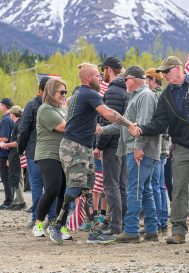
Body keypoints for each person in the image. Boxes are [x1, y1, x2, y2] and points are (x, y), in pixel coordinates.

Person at [129, 56, 189, 244]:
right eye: (162, 72)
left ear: (178, 69)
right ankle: (178, 231)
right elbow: (160, 122)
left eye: (166, 71)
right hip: (181, 147)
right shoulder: (166, 95)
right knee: (178, 190)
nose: (164, 75)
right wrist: (142, 129)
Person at [58, 63, 133, 244]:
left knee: (87, 189)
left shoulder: (78, 95)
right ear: (89, 78)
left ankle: (93, 232)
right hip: (74, 148)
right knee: (76, 187)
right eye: (97, 76)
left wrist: (93, 127)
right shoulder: (89, 93)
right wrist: (129, 124)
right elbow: (109, 114)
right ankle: (57, 224)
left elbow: (81, 117)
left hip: (83, 147)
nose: (101, 78)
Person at [99, 65, 161, 243]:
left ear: (132, 79)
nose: (124, 82)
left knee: (134, 189)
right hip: (137, 150)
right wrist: (101, 130)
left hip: (140, 151)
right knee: (146, 190)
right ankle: (151, 230)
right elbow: (124, 125)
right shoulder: (136, 96)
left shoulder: (145, 96)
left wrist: (138, 147)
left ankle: (131, 230)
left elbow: (143, 124)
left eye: (125, 79)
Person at [31, 78, 71, 243]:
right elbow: (64, 127)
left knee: (65, 193)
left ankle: (60, 225)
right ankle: (39, 223)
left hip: (64, 155)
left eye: (65, 92)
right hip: (48, 154)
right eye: (61, 92)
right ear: (50, 92)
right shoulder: (45, 109)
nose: (64, 95)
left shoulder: (62, 108)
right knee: (53, 189)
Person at [94, 56, 129, 235]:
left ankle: (115, 225)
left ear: (108, 69)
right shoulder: (125, 90)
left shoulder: (113, 91)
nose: (102, 74)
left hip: (113, 144)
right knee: (121, 185)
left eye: (103, 70)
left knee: (111, 185)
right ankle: (122, 223)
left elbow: (108, 120)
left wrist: (99, 145)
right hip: (123, 144)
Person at [17, 77, 56, 228]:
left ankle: (36, 218)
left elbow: (23, 129)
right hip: (52, 152)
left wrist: (21, 149)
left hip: (34, 151)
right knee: (52, 187)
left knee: (37, 186)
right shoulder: (55, 106)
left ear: (39, 89)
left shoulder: (32, 105)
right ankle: (52, 218)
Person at [145, 67, 169, 234]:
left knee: (154, 185)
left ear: (153, 80)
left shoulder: (154, 97)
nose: (146, 83)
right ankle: (163, 221)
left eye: (147, 80)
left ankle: (158, 222)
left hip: (157, 145)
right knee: (160, 186)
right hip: (166, 145)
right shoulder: (165, 96)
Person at [0, 105, 26, 210]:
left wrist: (6, 145)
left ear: (12, 114)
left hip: (15, 154)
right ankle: (17, 200)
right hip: (13, 154)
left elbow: (18, 142)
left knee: (14, 178)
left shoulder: (18, 125)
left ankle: (21, 202)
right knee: (17, 178)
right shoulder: (18, 124)